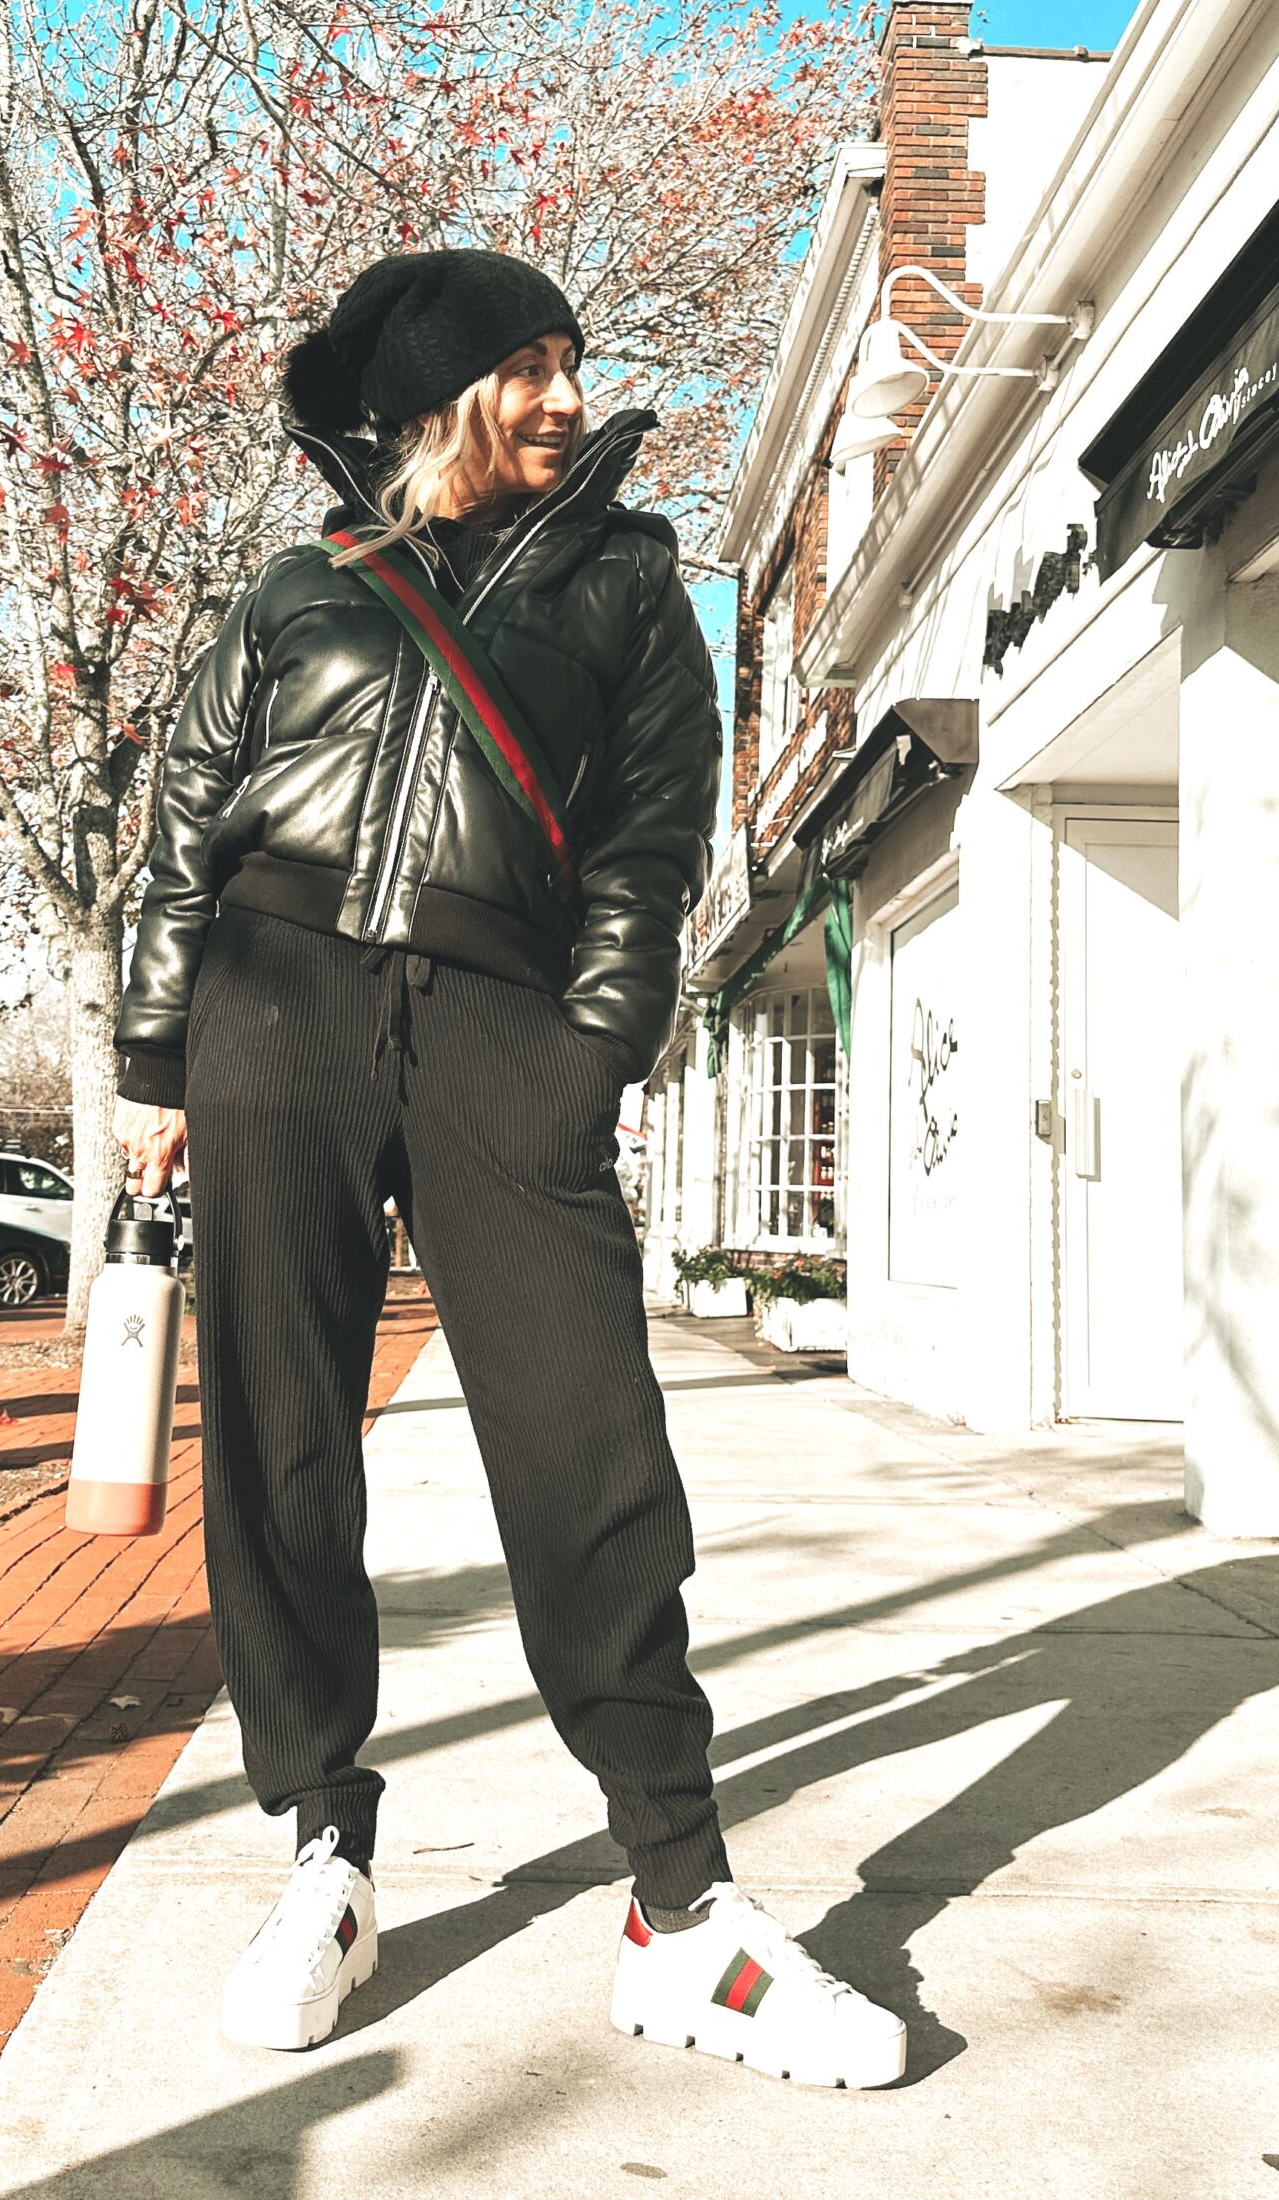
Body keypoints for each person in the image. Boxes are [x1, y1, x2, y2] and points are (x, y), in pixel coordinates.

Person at [112, 248, 904, 2091]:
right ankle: (322, 1848)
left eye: (571, 359)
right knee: (284, 1449)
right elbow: (181, 826)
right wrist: (157, 1059)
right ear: (438, 398)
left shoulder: (630, 584)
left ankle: (682, 1911)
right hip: (272, 1014)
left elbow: (648, 842)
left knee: (588, 1453)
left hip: (502, 1032)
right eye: (527, 364)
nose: (564, 391)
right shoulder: (298, 590)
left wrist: (589, 1060)